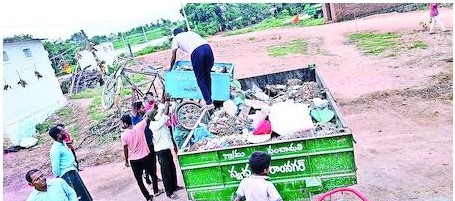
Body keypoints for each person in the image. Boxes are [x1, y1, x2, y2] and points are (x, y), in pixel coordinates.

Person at [121, 110, 164, 201]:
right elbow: (148, 117)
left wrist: (126, 160)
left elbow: (125, 149)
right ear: (131, 120)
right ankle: (156, 191)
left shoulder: (124, 135)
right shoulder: (139, 126)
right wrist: (155, 107)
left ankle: (148, 197)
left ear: (125, 123)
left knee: (139, 181)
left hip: (134, 160)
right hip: (145, 156)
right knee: (153, 174)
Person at [169, 28, 215, 110]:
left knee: (200, 79)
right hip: (208, 48)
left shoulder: (176, 38)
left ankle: (209, 102)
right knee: (207, 75)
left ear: (175, 34)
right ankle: (209, 99)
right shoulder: (191, 33)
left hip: (196, 52)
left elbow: (173, 56)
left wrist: (170, 68)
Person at [148, 93, 182, 200]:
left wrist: (164, 95)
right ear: (153, 117)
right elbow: (165, 114)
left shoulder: (157, 120)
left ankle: (174, 186)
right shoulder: (154, 125)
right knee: (166, 171)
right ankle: (169, 192)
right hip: (161, 151)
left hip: (166, 149)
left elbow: (161, 108)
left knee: (171, 168)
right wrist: (167, 104)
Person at [130, 85, 162, 189]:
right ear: (138, 110)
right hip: (145, 145)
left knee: (152, 164)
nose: (144, 108)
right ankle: (152, 182)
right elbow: (134, 104)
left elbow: (152, 112)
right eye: (142, 107)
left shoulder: (142, 117)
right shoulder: (135, 118)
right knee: (149, 165)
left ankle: (152, 178)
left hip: (150, 142)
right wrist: (133, 91)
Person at [48, 126, 92, 201]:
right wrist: (59, 178)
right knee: (76, 195)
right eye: (62, 131)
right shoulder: (55, 149)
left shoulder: (63, 144)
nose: (65, 132)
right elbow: (55, 166)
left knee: (83, 192)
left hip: (73, 171)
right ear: (58, 135)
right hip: (67, 174)